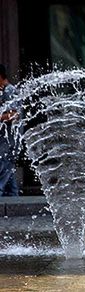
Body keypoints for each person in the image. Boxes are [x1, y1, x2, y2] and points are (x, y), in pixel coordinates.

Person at [0, 64, 20, 197]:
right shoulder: (4, 91)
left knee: (2, 172)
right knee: (9, 180)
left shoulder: (9, 91)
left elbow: (13, 114)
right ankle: (16, 202)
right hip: (5, 143)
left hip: (9, 143)